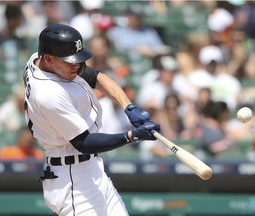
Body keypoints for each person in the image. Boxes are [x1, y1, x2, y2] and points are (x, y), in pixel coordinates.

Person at [22, 23, 160, 216]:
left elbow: (95, 77)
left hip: (90, 170)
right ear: (49, 59)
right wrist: (131, 136)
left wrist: (128, 106)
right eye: (70, 61)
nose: (76, 65)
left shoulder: (39, 60)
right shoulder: (48, 93)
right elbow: (83, 142)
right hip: (72, 179)